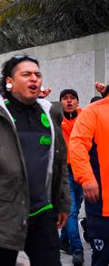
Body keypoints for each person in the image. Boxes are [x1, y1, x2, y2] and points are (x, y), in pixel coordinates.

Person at [0, 54, 70, 266]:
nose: (34, 79)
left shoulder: (50, 112)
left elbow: (59, 160)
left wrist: (62, 201)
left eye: (37, 74)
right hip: (1, 212)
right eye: (26, 74)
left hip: (42, 210)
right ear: (10, 81)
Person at [70, 87, 109, 266]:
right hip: (102, 205)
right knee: (102, 257)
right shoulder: (94, 111)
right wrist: (87, 178)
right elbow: (77, 145)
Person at [57, 89, 85, 265]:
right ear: (60, 102)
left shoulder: (84, 116)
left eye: (72, 98)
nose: (69, 101)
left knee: (78, 204)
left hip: (82, 169)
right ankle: (78, 250)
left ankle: (63, 240)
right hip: (65, 171)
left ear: (77, 101)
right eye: (65, 99)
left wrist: (105, 92)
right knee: (72, 211)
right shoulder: (56, 119)